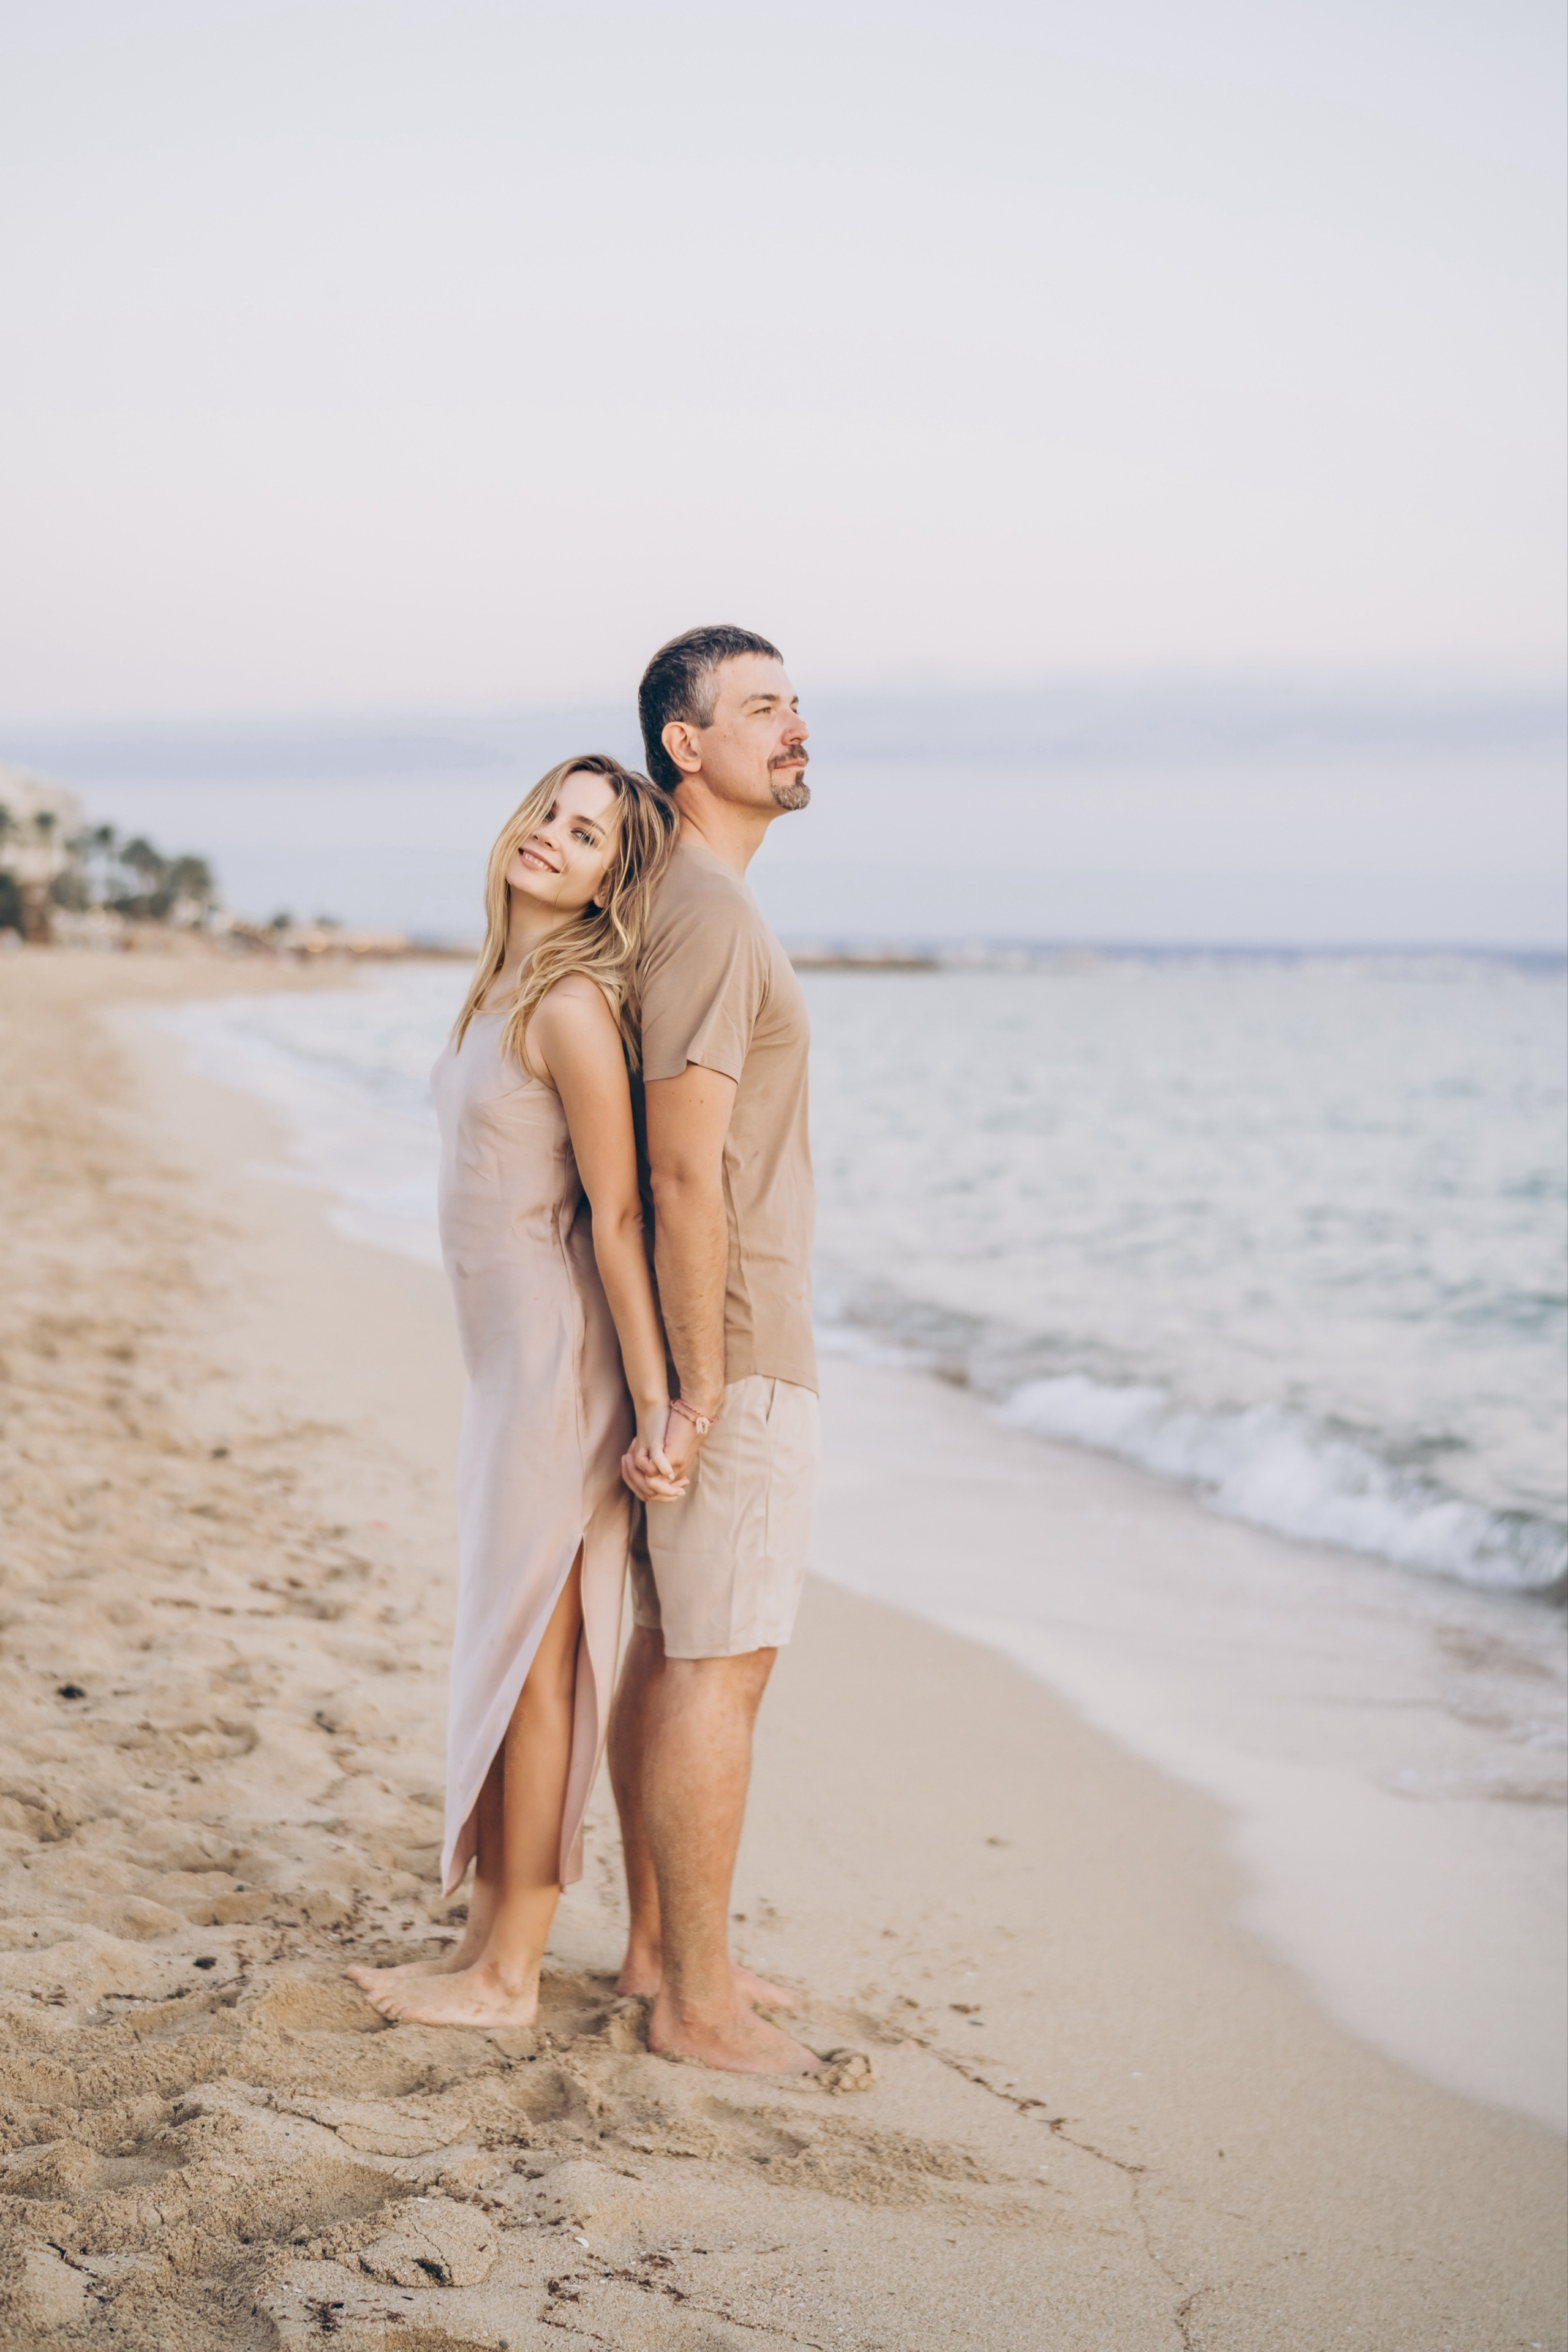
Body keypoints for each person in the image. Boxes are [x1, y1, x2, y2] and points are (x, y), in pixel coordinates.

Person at [350, 754, 682, 2031]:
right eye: (549, 811)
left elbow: (615, 1218)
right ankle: (485, 1939)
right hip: (503, 1368)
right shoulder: (502, 986)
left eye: (587, 834)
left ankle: (509, 1974)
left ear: (611, 884)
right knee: (505, 1652)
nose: (551, 836)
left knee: (544, 1667)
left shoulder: (574, 1009)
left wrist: (654, 1404)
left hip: (560, 1369)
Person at [611, 625, 824, 2075]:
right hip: (734, 1344)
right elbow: (680, 1170)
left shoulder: (695, 902)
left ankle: (663, 1957)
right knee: (717, 1669)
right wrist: (693, 1385)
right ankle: (692, 2003)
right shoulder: (708, 912)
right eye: (758, 708)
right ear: (685, 747)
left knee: (675, 1650)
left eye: (794, 703)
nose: (791, 726)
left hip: (723, 1336)